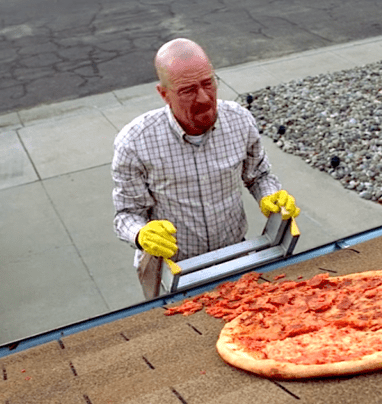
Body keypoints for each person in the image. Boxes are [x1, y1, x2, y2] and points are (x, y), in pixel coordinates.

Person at [111, 38, 300, 271]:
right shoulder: (134, 143)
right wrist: (141, 235)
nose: (203, 97)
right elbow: (127, 215)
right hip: (173, 268)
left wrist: (270, 195)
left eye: (208, 83)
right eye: (188, 90)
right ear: (164, 94)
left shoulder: (240, 120)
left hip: (235, 257)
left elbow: (259, 176)